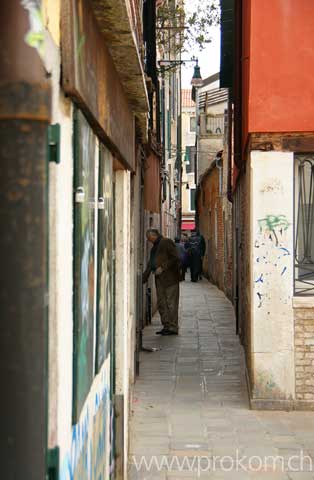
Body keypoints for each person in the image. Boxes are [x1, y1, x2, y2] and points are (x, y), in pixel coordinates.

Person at [143, 229, 180, 335]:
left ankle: (173, 327)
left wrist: (163, 268)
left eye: (149, 238)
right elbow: (151, 263)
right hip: (159, 279)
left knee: (171, 303)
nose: (149, 240)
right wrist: (144, 277)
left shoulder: (166, 242)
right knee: (161, 303)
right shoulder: (154, 247)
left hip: (170, 279)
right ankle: (166, 325)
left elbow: (175, 258)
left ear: (154, 235)